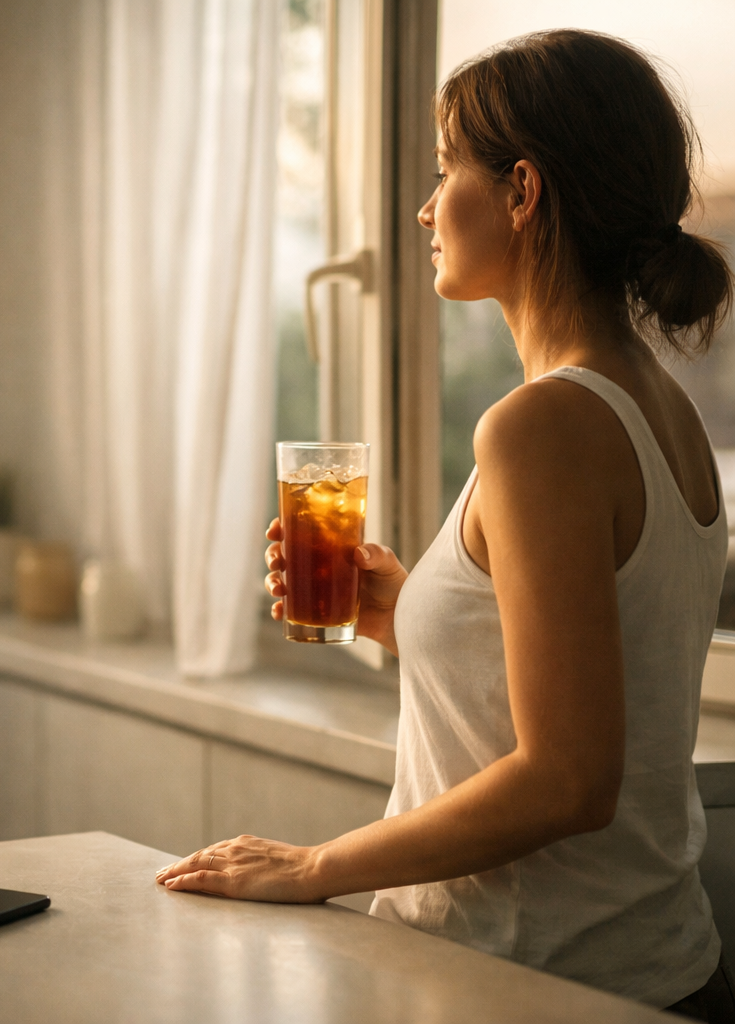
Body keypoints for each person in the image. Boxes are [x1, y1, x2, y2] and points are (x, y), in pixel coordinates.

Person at [155, 29, 734, 1017]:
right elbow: (603, 673)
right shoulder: (658, 408)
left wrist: (315, 864)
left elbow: (566, 780)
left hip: (534, 979)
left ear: (521, 191)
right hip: (657, 966)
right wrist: (412, 615)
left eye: (441, 172)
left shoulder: (540, 426)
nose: (424, 209)